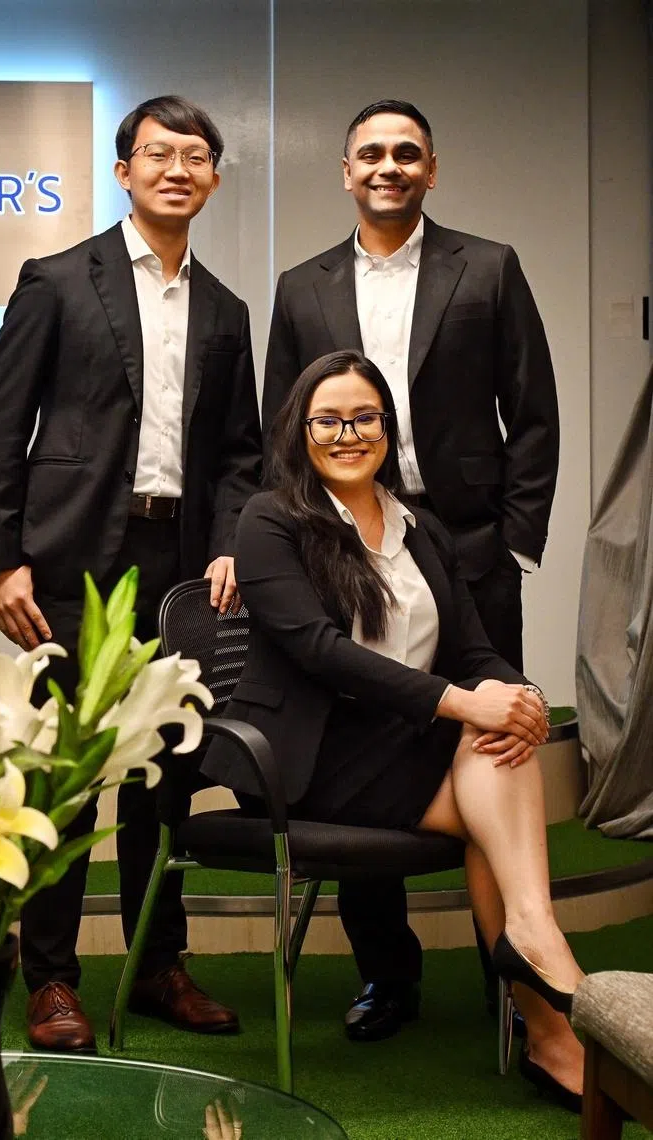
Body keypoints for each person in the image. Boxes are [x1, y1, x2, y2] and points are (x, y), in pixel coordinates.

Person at [204, 349, 584, 1110]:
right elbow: (321, 652)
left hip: (407, 743)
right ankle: (548, 1006)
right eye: (328, 420)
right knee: (486, 751)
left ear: (388, 427)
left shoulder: (423, 529)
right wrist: (464, 703)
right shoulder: (270, 520)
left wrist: (521, 695)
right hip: (311, 758)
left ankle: (541, 984)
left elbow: (473, 650)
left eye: (365, 417)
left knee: (496, 749)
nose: (348, 434)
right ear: (301, 430)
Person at [261, 99, 560, 1042]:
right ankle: (388, 977)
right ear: (345, 172)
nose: (387, 167)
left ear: (432, 168)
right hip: (335, 542)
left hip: (459, 541)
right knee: (373, 731)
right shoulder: (301, 287)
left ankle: (508, 993)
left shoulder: (490, 267)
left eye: (406, 153)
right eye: (370, 155)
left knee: (497, 737)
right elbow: (278, 423)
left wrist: (512, 539)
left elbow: (535, 409)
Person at [0, 94, 262, 1053]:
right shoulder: (56, 280)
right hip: (68, 563)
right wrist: (1, 559)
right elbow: (0, 426)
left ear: (214, 177)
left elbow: (239, 455)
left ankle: (156, 963)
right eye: (157, 153)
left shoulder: (227, 311)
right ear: (124, 171)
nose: (177, 168)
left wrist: (228, 542)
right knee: (66, 776)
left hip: (180, 565)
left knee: (166, 778)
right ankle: (51, 978)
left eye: (195, 156)